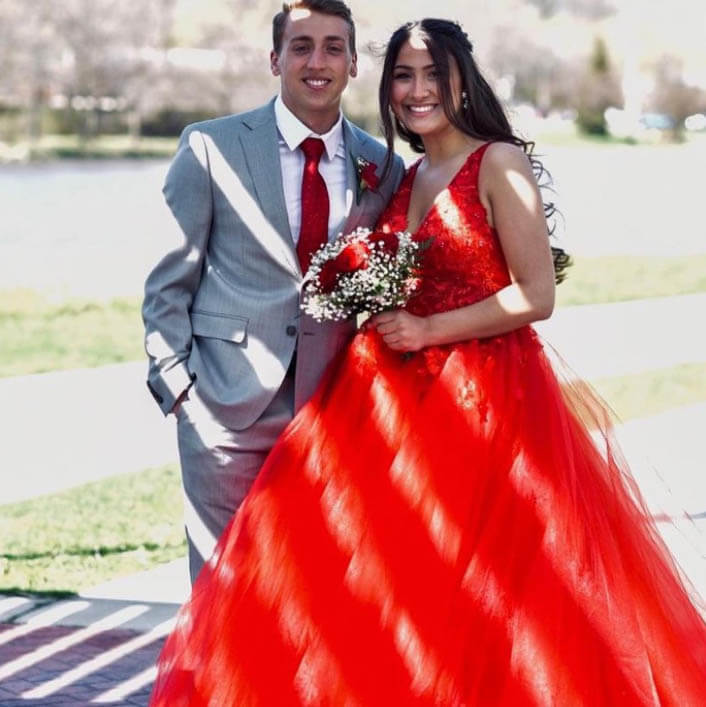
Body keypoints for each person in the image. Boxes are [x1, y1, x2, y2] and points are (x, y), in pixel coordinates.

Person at [150, 18, 706, 706]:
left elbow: (537, 295)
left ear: (460, 79)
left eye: (432, 74)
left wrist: (428, 326)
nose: (418, 91)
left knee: (490, 586)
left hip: (484, 400)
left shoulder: (498, 163)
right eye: (404, 77)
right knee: (382, 578)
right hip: (383, 401)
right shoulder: (399, 173)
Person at [142, 0, 405, 583]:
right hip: (222, 406)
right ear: (274, 58)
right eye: (302, 45)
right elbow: (168, 281)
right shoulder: (211, 146)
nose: (318, 61)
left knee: (314, 592)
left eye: (334, 47)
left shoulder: (382, 166)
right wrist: (179, 389)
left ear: (354, 63)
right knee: (224, 590)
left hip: (330, 411)